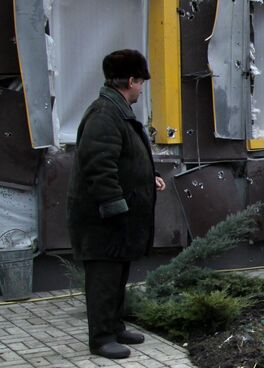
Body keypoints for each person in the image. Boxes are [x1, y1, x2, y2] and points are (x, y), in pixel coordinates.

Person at [67, 49, 165, 359]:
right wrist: (115, 208)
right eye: (141, 82)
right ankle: (101, 338)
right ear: (131, 80)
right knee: (103, 278)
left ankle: (115, 325)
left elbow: (124, 158)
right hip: (103, 219)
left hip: (117, 216)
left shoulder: (116, 110)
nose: (142, 88)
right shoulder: (105, 114)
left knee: (117, 273)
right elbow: (100, 166)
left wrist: (149, 176)